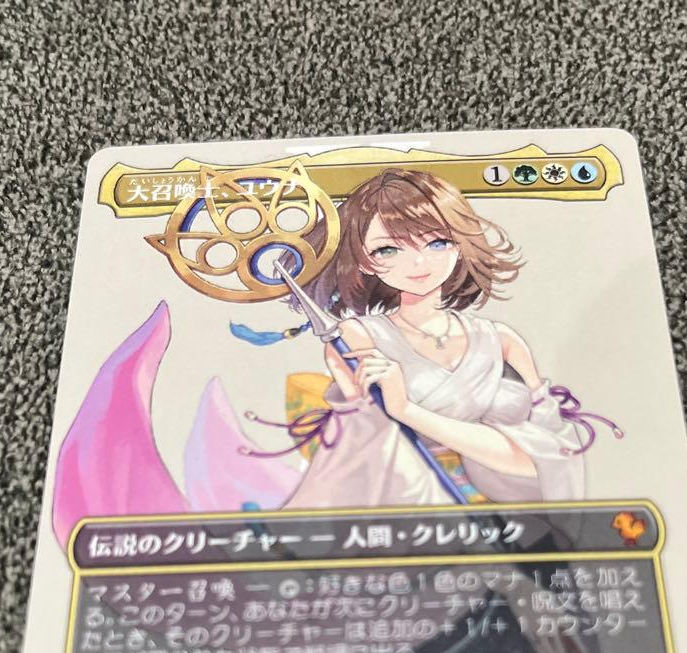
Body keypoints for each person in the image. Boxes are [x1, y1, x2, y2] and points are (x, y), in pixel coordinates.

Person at [254, 168, 594, 508]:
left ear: (460, 246)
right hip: (410, 504)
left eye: (437, 242)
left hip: (510, 506)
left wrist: (406, 410)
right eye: (387, 249)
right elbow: (366, 449)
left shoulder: (502, 341)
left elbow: (553, 454)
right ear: (364, 262)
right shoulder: (356, 338)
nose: (418, 262)